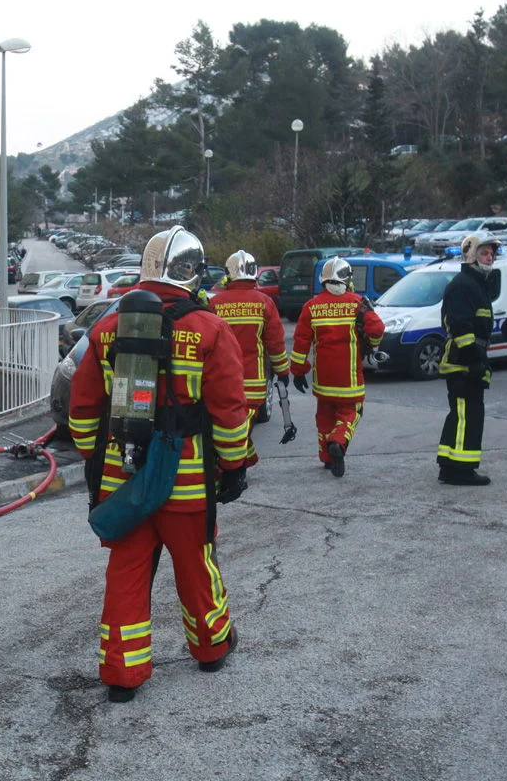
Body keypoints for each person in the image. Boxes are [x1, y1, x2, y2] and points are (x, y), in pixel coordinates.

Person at [68, 226, 249, 703]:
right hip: (186, 482)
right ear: (192, 272)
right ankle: (211, 648)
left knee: (126, 572)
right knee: (195, 566)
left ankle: (121, 674)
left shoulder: (108, 328)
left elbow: (83, 409)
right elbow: (230, 409)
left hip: (124, 480)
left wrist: (96, 461)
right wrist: (234, 465)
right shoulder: (210, 329)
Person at [289, 257, 385, 478]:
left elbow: (301, 342)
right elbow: (377, 328)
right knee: (351, 412)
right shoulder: (357, 303)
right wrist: (371, 344)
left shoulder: (311, 307)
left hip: (322, 380)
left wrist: (298, 370)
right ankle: (338, 442)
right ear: (347, 279)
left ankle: (327, 458)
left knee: (324, 416)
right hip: (349, 378)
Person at [210, 249, 291, 467]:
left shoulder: (215, 303)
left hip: (223, 379)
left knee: (233, 424)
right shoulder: (264, 302)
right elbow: (275, 342)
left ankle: (244, 461)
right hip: (253, 381)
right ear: (254, 273)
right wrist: (282, 372)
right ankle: (236, 466)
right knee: (242, 427)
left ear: (229, 274)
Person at [436, 234, 499, 486]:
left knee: (464, 414)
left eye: (492, 254)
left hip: (469, 360)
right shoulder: (464, 284)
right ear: (471, 255)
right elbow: (461, 326)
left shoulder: (476, 283)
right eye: (485, 253)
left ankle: (450, 466)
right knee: (466, 416)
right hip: (463, 362)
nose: (490, 257)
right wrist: (474, 358)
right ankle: (459, 470)